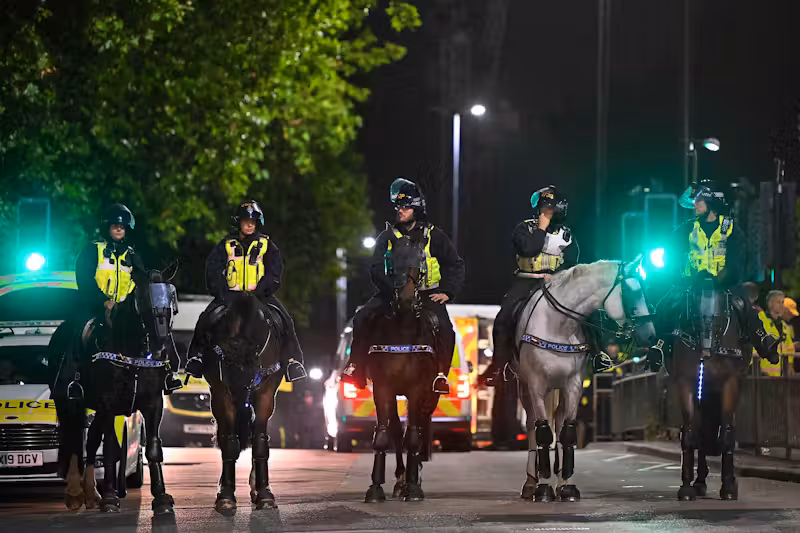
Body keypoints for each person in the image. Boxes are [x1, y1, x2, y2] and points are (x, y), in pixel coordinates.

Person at [341, 177, 465, 394]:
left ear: (417, 208)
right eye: (398, 207)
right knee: (361, 318)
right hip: (391, 294)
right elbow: (376, 268)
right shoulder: (386, 237)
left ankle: (440, 376)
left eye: (406, 207)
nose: (400, 211)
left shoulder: (434, 235)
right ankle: (356, 367)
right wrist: (392, 290)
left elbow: (454, 264)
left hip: (428, 295)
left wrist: (447, 291)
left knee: (446, 328)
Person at [480, 186, 609, 387]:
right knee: (504, 316)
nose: (544, 212)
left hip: (557, 284)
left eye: (548, 209)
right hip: (527, 280)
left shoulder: (567, 235)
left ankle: (599, 353)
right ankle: (498, 366)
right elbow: (529, 249)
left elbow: (573, 263)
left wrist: (558, 277)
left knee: (588, 309)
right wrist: (541, 228)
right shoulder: (524, 228)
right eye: (543, 209)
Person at [647, 181, 779, 371]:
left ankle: (764, 341)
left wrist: (727, 274)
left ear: (711, 204)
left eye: (699, 202)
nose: (695, 206)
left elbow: (739, 255)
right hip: (691, 284)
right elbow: (671, 250)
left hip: (724, 284)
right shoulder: (687, 228)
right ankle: (657, 349)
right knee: (665, 305)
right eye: (694, 203)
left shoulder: (730, 228)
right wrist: (677, 272)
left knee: (744, 305)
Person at [184, 200, 306, 382]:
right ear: (238, 222)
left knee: (285, 320)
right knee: (205, 318)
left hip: (260, 296)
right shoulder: (226, 244)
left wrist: (262, 290)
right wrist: (220, 291)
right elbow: (213, 268)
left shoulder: (267, 245)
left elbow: (275, 271)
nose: (249, 224)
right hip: (230, 296)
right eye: (245, 220)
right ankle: (197, 358)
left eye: (253, 220)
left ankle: (292, 362)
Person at [75, 204, 182, 391]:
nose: (119, 228)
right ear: (106, 227)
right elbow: (84, 279)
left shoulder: (131, 254)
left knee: (156, 326)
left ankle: (167, 371)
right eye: (115, 225)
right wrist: (103, 301)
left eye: (122, 226)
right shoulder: (92, 250)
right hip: (96, 308)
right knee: (79, 333)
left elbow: (140, 282)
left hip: (124, 310)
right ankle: (74, 378)